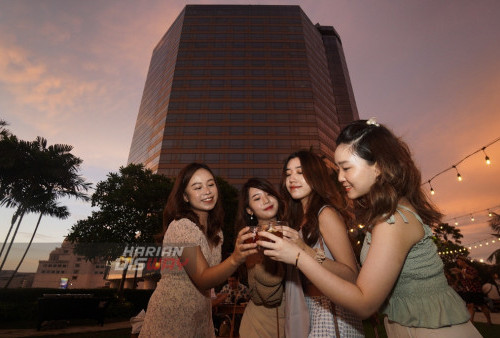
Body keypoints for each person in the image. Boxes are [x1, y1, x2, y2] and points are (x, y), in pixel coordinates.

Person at [258, 119, 481, 337]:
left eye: (346, 168)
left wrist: (299, 256)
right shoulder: (387, 214)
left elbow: (364, 302)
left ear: (378, 167)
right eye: (338, 169)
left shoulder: (394, 221)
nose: (340, 177)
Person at [139, 163, 257, 337]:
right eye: (197, 187)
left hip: (201, 316)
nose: (207, 191)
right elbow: (203, 278)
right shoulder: (182, 227)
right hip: (172, 318)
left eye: (210, 184)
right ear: (185, 197)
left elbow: (214, 277)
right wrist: (236, 258)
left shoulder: (216, 232)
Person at [280, 150, 364, 337]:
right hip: (306, 306)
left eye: (300, 172)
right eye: (288, 174)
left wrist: (303, 250)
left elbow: (351, 275)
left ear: (315, 176)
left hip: (331, 310)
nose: (292, 178)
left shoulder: (325, 214)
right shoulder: (297, 220)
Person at [236, 178, 287, 338]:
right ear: (249, 210)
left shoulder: (292, 231)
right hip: (260, 327)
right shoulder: (250, 240)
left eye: (268, 194)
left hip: (293, 322)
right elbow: (267, 296)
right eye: (257, 198)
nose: (265, 200)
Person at [455, 256, 492, 324]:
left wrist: (461, 272)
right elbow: (460, 280)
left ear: (464, 261)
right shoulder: (461, 270)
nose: (458, 263)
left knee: (482, 305)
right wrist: (457, 274)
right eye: (457, 261)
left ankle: (489, 321)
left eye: (459, 261)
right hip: (467, 290)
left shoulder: (471, 269)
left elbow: (472, 277)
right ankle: (471, 322)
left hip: (475, 290)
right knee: (470, 305)